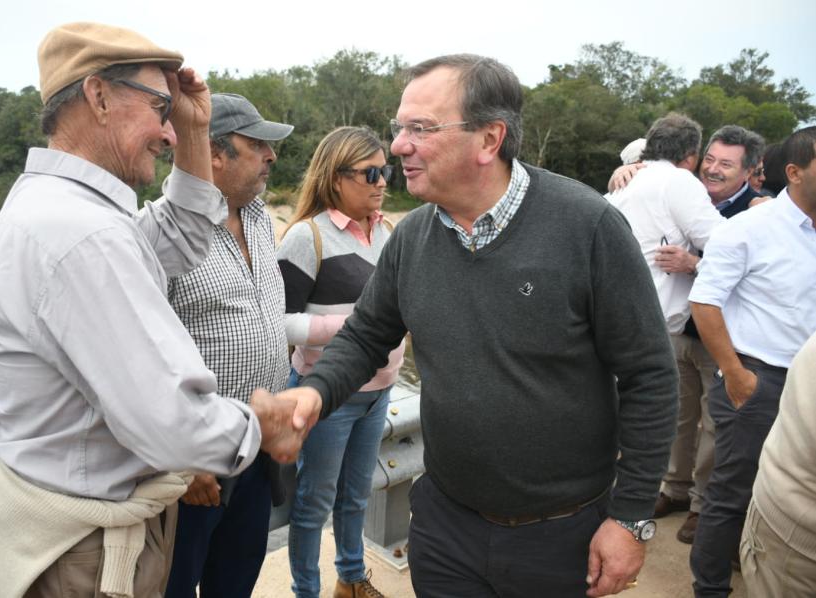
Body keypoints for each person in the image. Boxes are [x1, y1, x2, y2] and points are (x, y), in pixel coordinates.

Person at [289, 55, 678, 598]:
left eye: (420, 129)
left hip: (561, 536)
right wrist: (313, 395)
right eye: (400, 127)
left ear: (489, 139)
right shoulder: (412, 237)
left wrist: (632, 515)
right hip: (445, 528)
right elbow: (365, 336)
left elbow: (650, 378)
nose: (399, 145)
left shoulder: (587, 227)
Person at [0, 22, 308, 598]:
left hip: (66, 531)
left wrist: (196, 128)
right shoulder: (85, 233)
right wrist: (263, 424)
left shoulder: (59, 208)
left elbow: (178, 233)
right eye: (159, 107)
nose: (168, 133)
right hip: (80, 552)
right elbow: (170, 421)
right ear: (98, 96)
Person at [608, 124, 766, 544]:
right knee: (677, 418)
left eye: (725, 164)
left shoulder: (761, 209)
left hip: (725, 334)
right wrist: (628, 168)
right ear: (695, 157)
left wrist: (694, 262)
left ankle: (702, 505)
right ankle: (674, 489)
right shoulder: (678, 187)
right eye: (709, 159)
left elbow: (752, 262)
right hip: (678, 331)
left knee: (716, 426)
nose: (712, 169)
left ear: (751, 171)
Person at [164, 93, 293, 598]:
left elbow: (265, 320)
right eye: (257, 144)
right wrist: (181, 462)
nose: (271, 156)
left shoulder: (260, 217)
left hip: (257, 449)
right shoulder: (165, 234)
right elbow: (142, 361)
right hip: (197, 467)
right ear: (214, 154)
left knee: (236, 580)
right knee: (175, 584)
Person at [688, 125, 816, 597]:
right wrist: (737, 376)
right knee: (732, 491)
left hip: (809, 385)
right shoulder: (749, 228)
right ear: (795, 172)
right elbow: (705, 302)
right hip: (758, 379)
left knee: (792, 495)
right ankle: (711, 588)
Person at [277, 126, 405, 598]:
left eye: (385, 170)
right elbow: (278, 323)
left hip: (380, 392)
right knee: (313, 504)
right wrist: (354, 326)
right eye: (370, 173)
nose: (382, 181)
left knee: (355, 497)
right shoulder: (305, 238)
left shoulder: (389, 232)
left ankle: (351, 582)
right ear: (335, 179)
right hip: (328, 396)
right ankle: (305, 592)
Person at [740, 330, 816, 597]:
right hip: (795, 535)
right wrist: (734, 373)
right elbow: (705, 301)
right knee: (729, 482)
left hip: (780, 368)